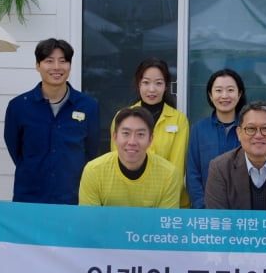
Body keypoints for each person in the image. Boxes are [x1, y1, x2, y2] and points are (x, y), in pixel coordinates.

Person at [3, 38, 102, 204]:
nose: (56, 67)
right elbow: (16, 150)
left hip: (73, 198)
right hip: (29, 199)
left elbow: (91, 151)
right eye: (49, 61)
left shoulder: (89, 107)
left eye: (63, 61)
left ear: (69, 66)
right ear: (37, 65)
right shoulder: (18, 107)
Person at [112, 57, 189, 206]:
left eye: (158, 83)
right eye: (146, 82)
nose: (152, 89)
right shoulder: (122, 118)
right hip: (129, 199)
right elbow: (118, 161)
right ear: (138, 84)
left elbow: (177, 167)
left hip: (166, 198)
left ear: (166, 86)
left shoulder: (178, 120)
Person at [83, 107, 182, 208]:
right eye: (126, 133)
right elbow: (90, 221)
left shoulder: (168, 174)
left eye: (140, 134)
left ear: (150, 140)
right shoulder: (94, 171)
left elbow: (164, 222)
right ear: (115, 137)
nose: (132, 142)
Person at [186, 69, 246, 208]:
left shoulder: (248, 129)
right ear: (210, 95)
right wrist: (202, 206)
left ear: (239, 94)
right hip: (206, 210)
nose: (224, 96)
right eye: (218, 90)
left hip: (242, 212)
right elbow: (193, 173)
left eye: (230, 90)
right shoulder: (199, 129)